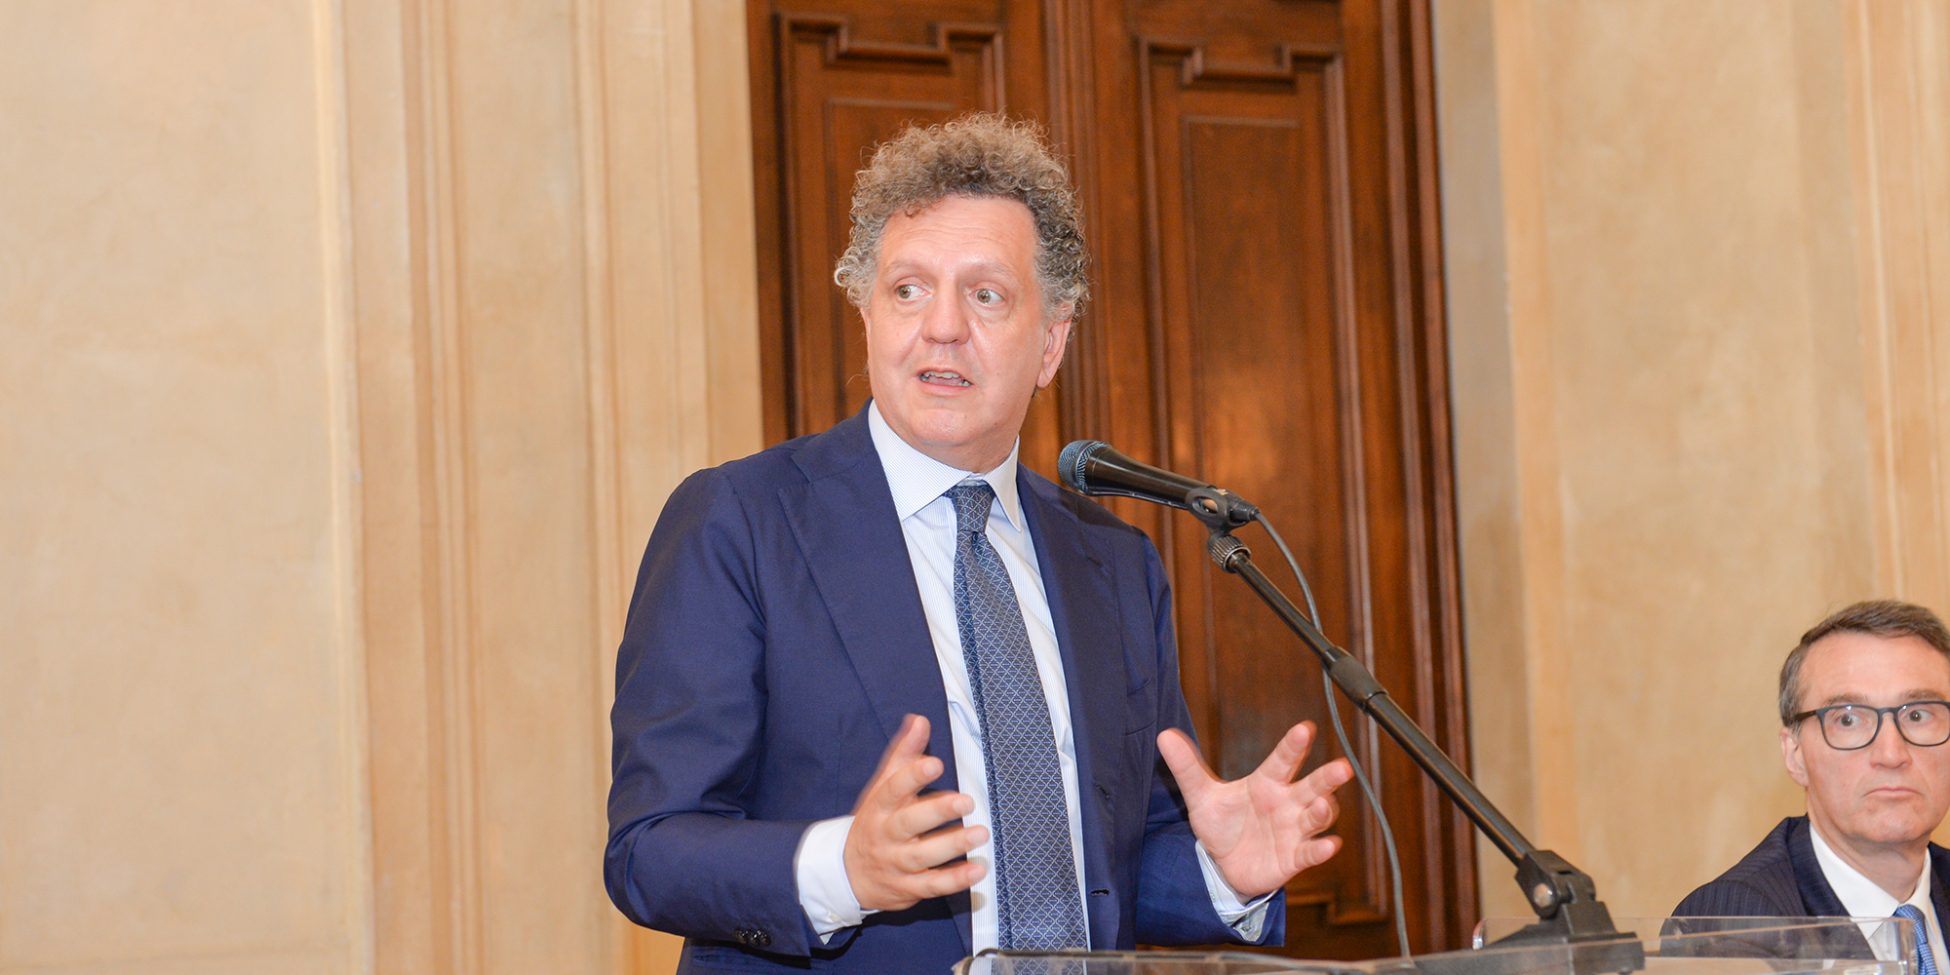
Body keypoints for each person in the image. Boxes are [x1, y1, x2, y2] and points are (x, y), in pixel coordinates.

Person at [604, 113, 1353, 973]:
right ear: (868, 314)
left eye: (986, 294)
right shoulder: (740, 521)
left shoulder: (1114, 562)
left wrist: (1223, 874)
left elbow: (1105, 864)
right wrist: (842, 869)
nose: (943, 326)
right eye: (908, 289)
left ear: (1051, 342)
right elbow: (649, 848)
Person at [1673, 599, 1950, 965]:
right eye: (1848, 720)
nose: (1891, 753)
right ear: (1795, 755)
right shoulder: (1734, 922)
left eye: (1918, 715)